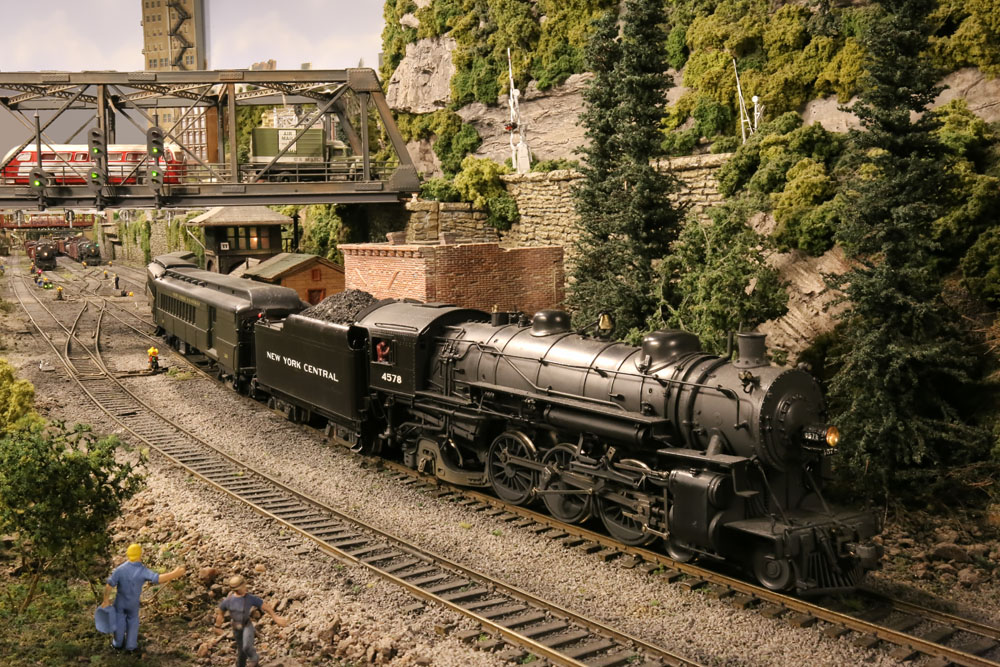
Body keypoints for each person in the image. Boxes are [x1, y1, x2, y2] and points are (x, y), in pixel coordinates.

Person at [101, 543, 186, 653]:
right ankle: (131, 646)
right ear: (140, 555)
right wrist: (175, 573)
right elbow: (158, 578)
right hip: (133, 604)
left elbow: (109, 585)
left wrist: (106, 600)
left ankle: (117, 644)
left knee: (119, 622)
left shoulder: (120, 569)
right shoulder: (142, 570)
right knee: (133, 622)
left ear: (128, 555)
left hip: (120, 603)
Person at [215, 575, 289, 667]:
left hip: (247, 625)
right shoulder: (229, 600)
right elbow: (220, 613)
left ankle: (254, 659)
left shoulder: (250, 598)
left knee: (247, 647)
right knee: (241, 652)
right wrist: (217, 626)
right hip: (236, 628)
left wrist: (275, 617)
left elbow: (266, 607)